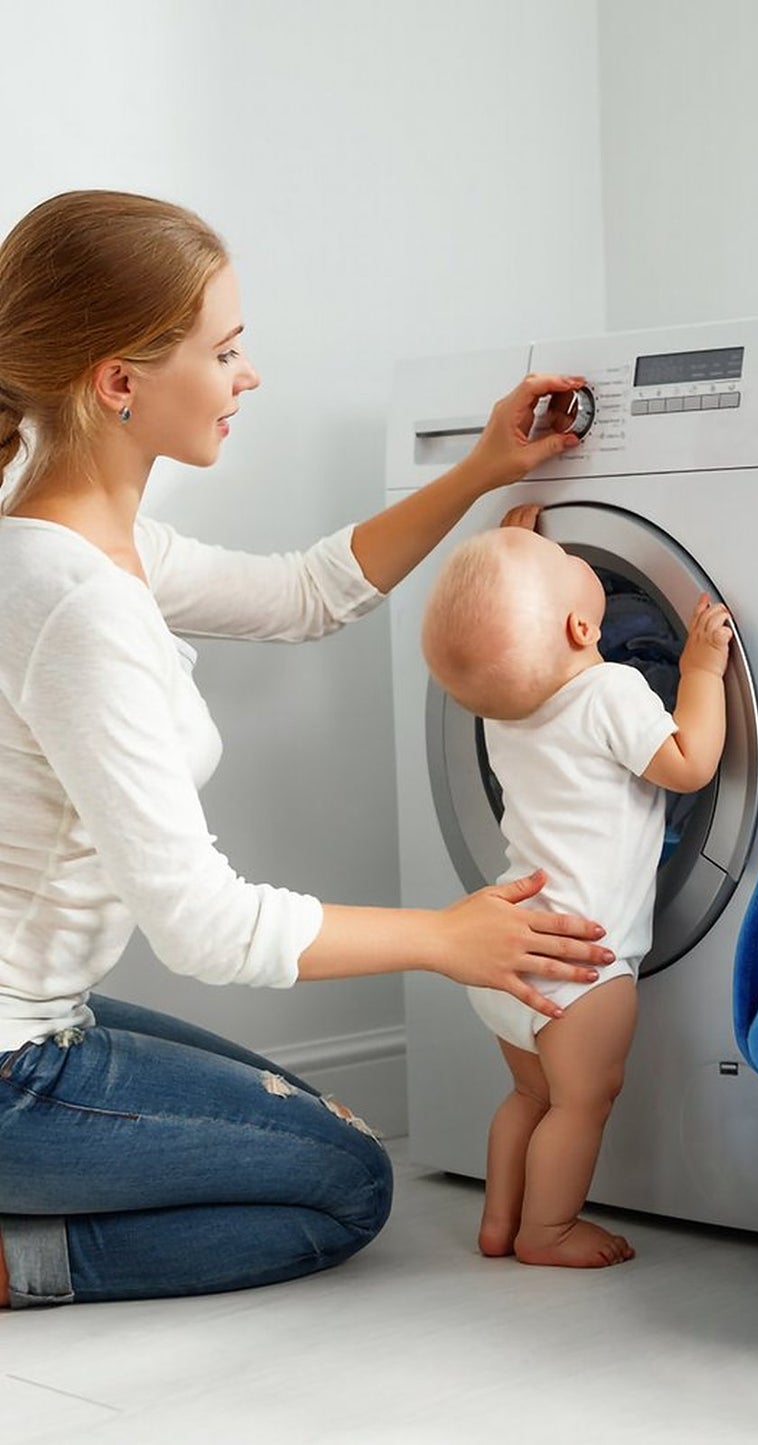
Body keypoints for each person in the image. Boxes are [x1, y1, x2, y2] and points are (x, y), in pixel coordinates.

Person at [0, 189, 617, 1309]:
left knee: (307, 1120)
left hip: (37, 1017)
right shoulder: (76, 602)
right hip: (13, 1067)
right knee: (343, 1182)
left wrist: (484, 467)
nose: (250, 376)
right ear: (119, 381)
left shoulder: (77, 538)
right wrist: (445, 937)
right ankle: (18, 1257)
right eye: (225, 350)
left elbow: (305, 593)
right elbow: (203, 922)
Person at [421, 519, 731, 1267]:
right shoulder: (612, 689)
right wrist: (697, 672)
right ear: (583, 625)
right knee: (581, 1103)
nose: (571, 552)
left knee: (528, 1098)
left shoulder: (502, 709)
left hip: (510, 945)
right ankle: (547, 1229)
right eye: (565, 558)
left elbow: (504, 643)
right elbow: (687, 764)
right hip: (582, 963)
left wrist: (511, 559)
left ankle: (498, 1220)